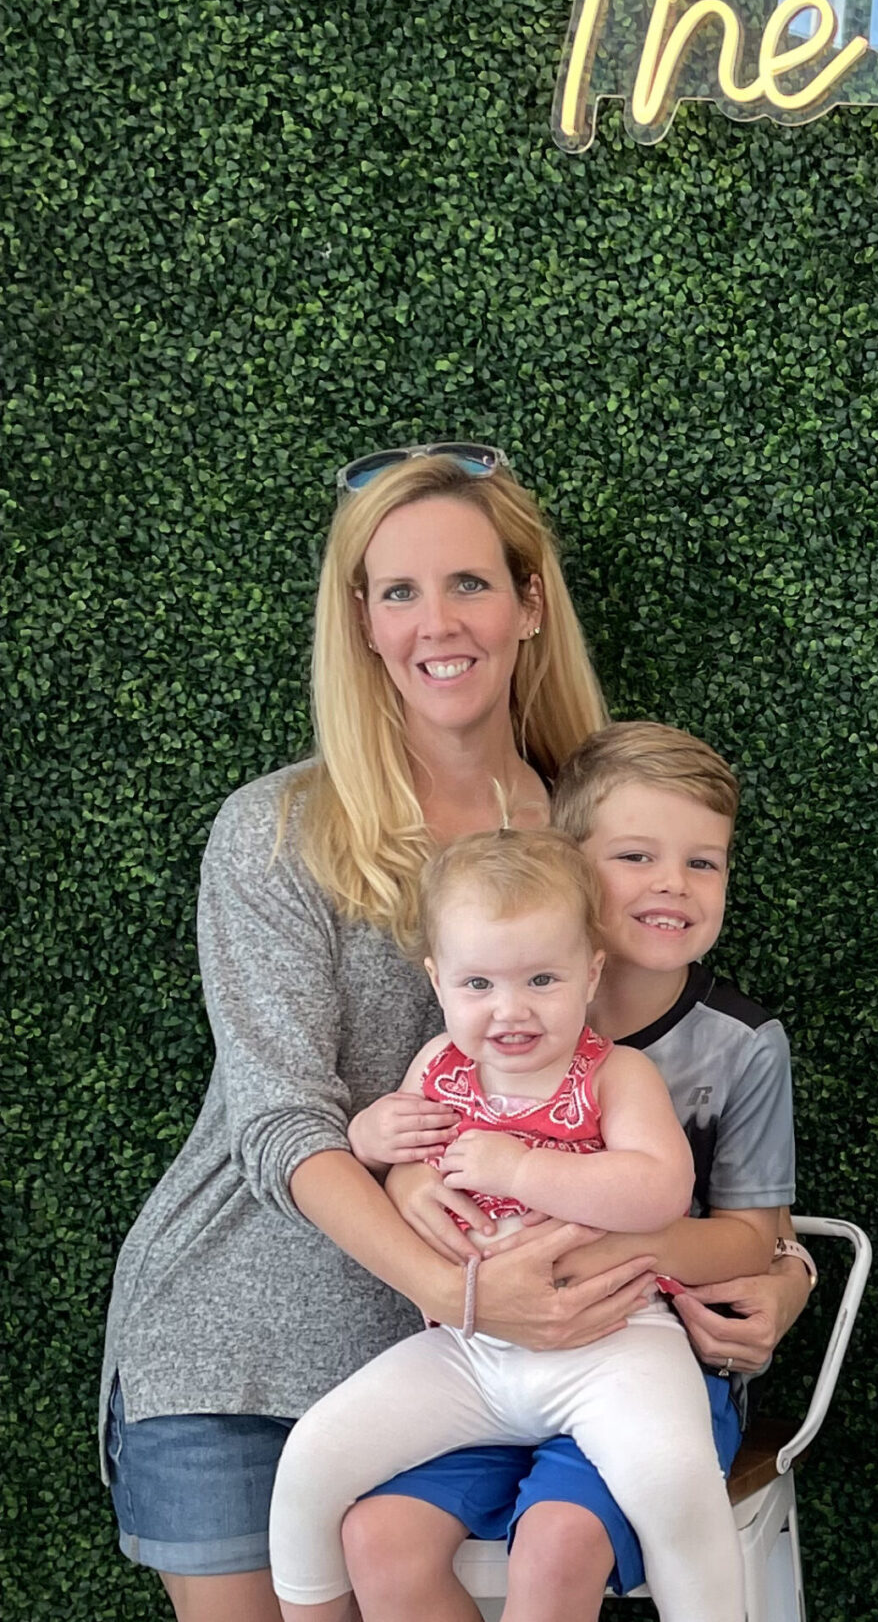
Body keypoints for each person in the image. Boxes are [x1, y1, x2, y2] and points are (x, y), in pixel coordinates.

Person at [98, 446, 655, 1622]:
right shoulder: (275, 832)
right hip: (242, 1341)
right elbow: (278, 1116)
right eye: (396, 591)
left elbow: (664, 1073)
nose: (436, 622)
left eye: (468, 583)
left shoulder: (598, 827)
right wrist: (457, 1289)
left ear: (529, 605)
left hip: (489, 1357)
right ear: (359, 623)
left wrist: (768, 1261)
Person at [342, 720, 801, 1622]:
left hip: (652, 1365)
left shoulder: (740, 1044)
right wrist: (405, 1183)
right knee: (377, 1539)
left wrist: (596, 1242)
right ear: (572, 870)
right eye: (636, 856)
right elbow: (417, 1155)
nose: (673, 883)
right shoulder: (481, 1024)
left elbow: (758, 1238)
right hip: (483, 1359)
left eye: (704, 864)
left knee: (555, 1546)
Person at [267, 827, 741, 1622]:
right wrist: (368, 1141)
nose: (510, 1010)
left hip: (613, 1344)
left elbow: (662, 1188)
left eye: (542, 979)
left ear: (590, 974)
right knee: (313, 1458)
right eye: (479, 982)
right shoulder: (436, 1068)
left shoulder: (615, 1073)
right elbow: (401, 1182)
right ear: (438, 980)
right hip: (469, 1350)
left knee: (672, 1476)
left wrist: (520, 1170)